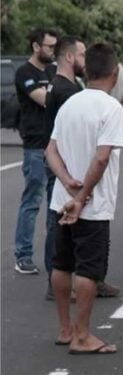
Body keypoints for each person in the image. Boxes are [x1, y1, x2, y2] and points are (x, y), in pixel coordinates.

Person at [46, 43, 123, 354]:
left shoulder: (70, 103)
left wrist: (66, 183)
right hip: (91, 206)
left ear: (87, 70)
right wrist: (81, 198)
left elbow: (50, 150)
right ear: (114, 73)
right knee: (89, 270)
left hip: (59, 201)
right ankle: (82, 337)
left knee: (62, 264)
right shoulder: (111, 108)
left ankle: (65, 330)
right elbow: (102, 158)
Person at [13, 29, 57, 274]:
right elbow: (43, 99)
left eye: (54, 46)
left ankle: (54, 258)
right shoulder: (24, 73)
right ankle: (23, 255)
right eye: (49, 46)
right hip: (35, 146)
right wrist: (56, 94)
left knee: (55, 203)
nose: (52, 50)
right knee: (32, 201)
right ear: (36, 46)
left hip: (54, 145)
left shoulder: (52, 71)